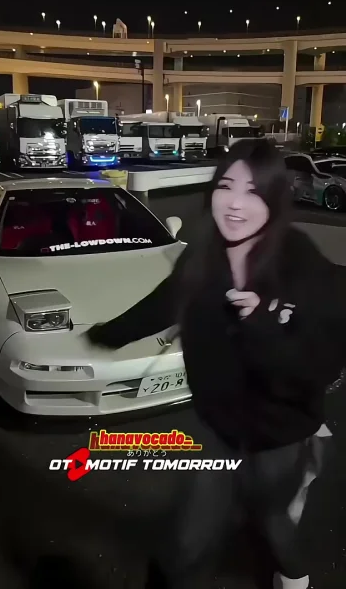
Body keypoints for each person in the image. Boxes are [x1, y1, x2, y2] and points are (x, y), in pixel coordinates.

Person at [85, 139, 345, 589]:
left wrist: (263, 326)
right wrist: (105, 335)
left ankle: (294, 577)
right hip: (216, 427)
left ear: (274, 200)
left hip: (279, 434)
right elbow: (164, 303)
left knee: (273, 522)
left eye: (253, 191)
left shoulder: (298, 260)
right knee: (189, 536)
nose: (235, 204)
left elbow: (315, 366)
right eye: (227, 186)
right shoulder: (202, 253)